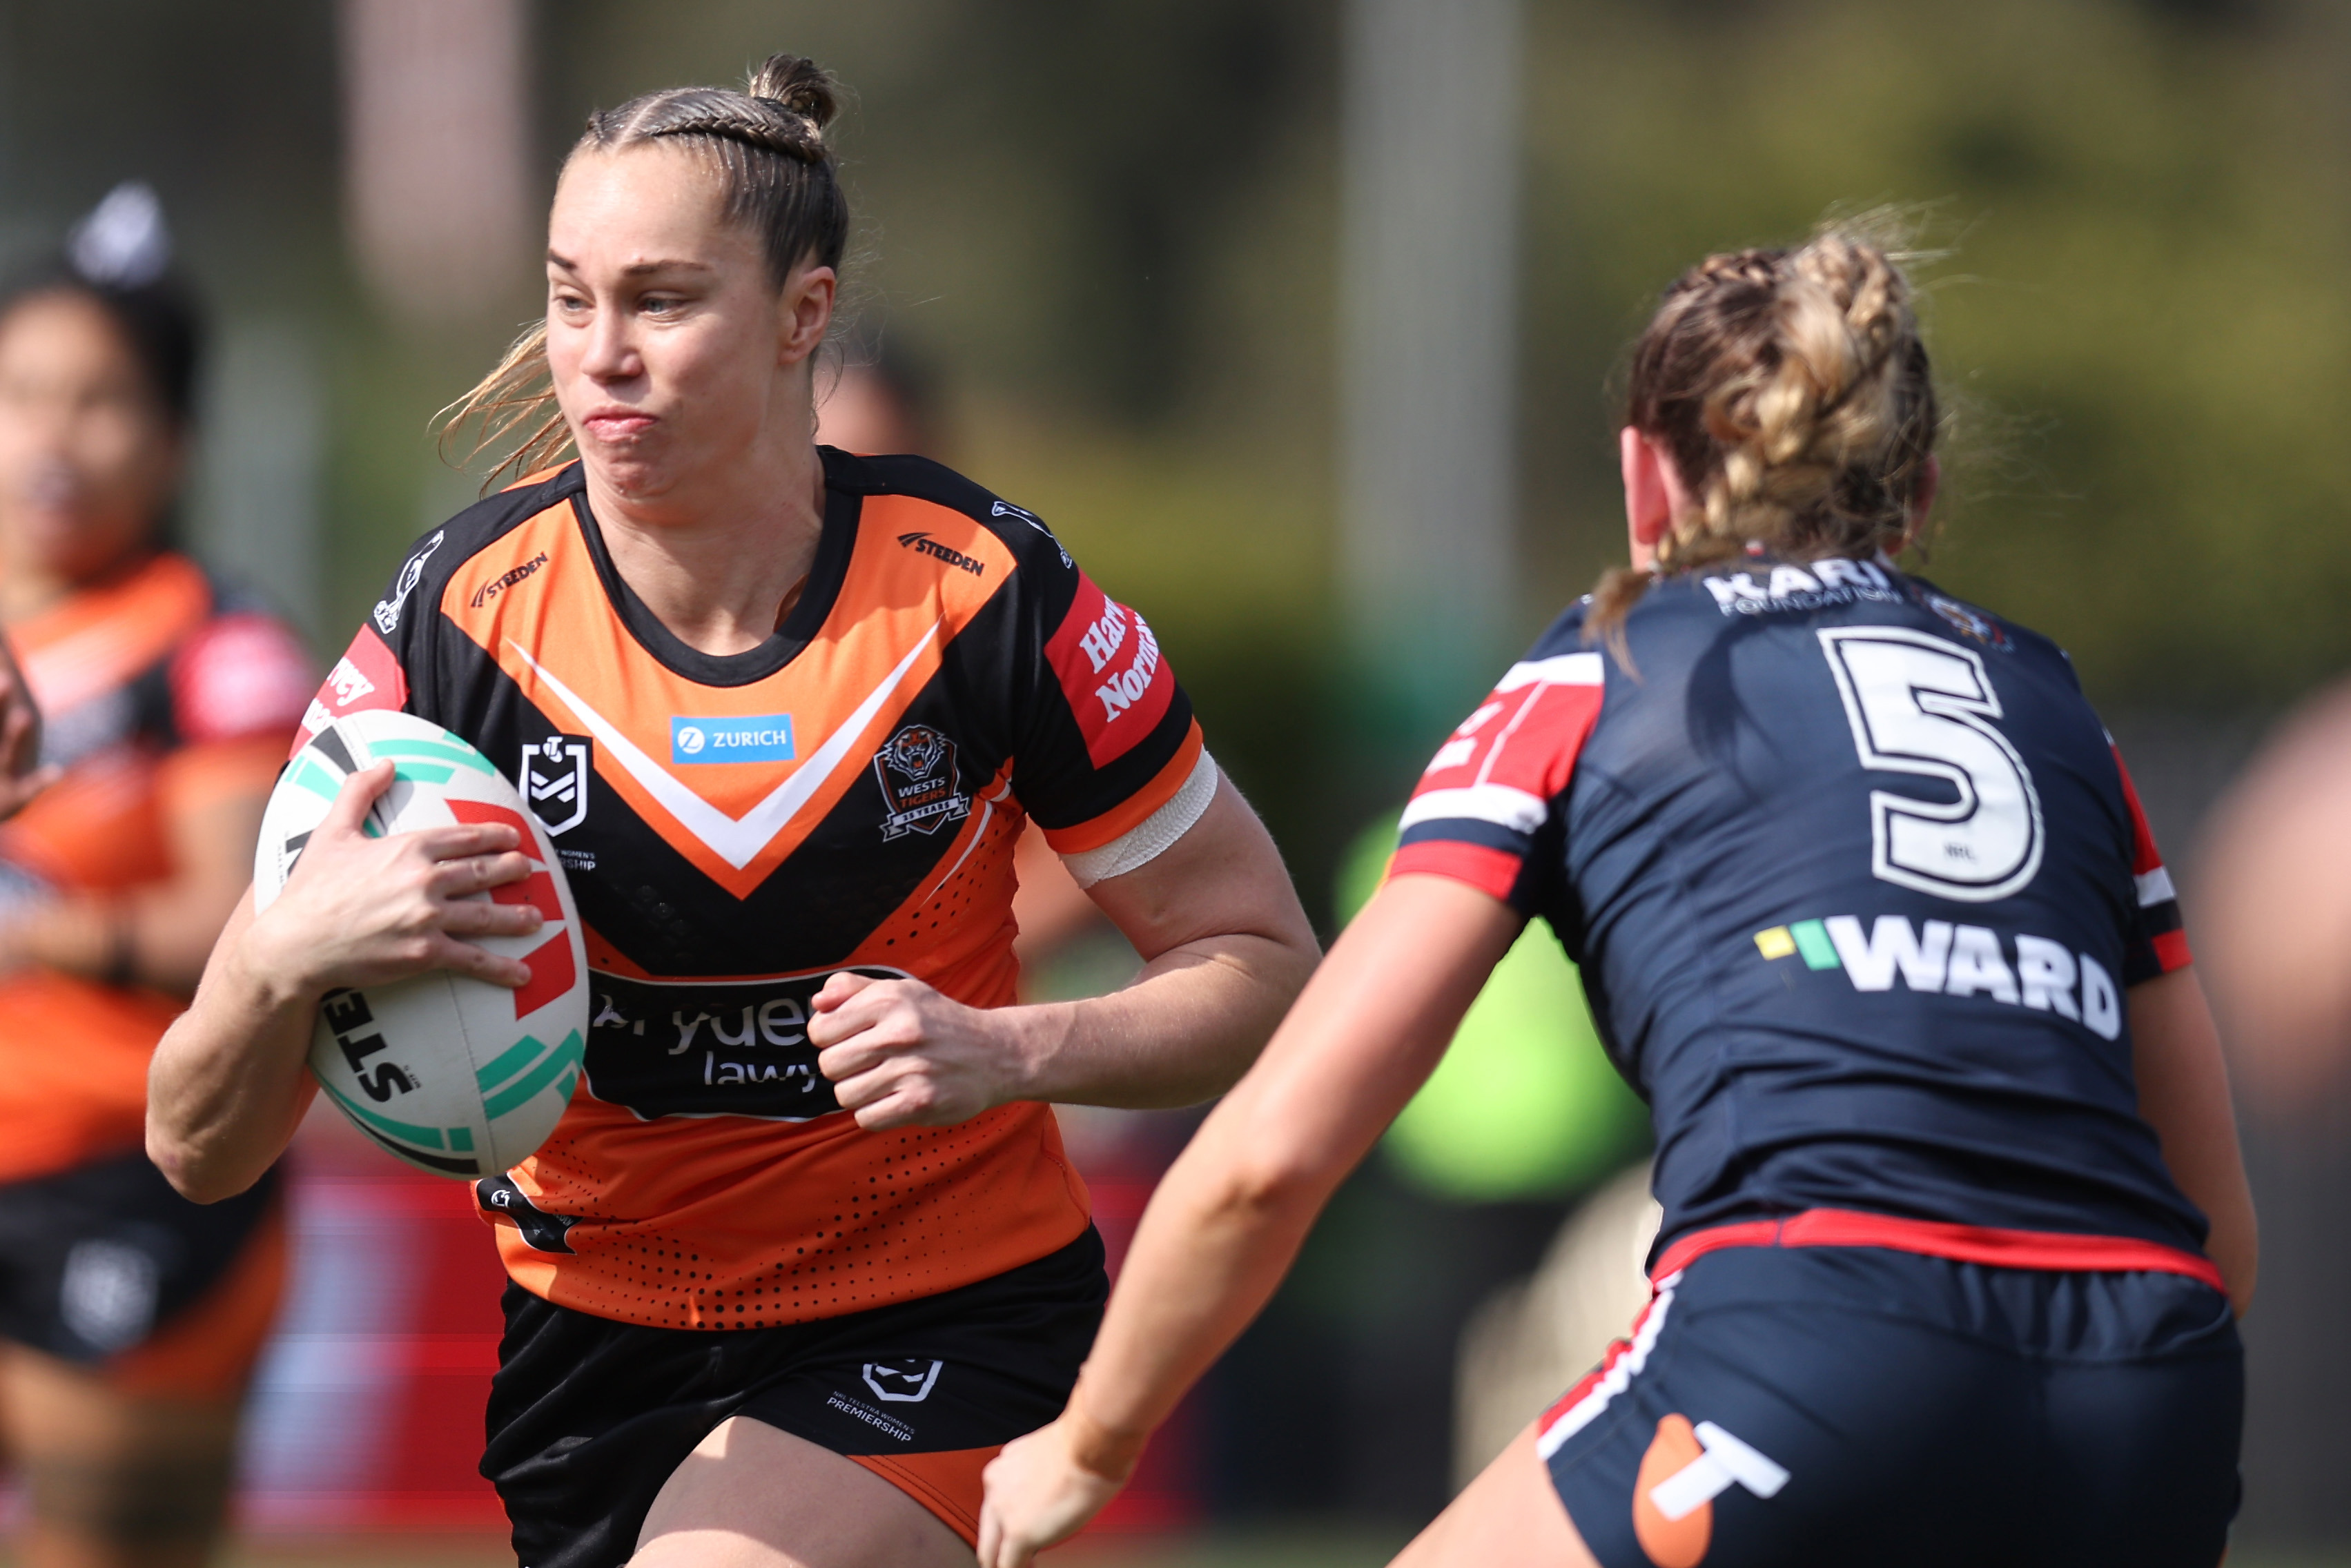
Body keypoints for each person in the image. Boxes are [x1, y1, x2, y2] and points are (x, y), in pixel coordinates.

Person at [145, 54, 1316, 1568]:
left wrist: (1009, 1048)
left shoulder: (980, 597)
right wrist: (280, 957)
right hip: (590, 1346)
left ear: (801, 315)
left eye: (660, 301)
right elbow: (195, 1143)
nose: (598, 356)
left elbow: (1262, 959)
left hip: (944, 1318)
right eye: (571, 299)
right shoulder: (454, 630)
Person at [979, 225, 2257, 1568]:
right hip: (2147, 1386)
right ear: (1922, 491)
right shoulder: (2054, 709)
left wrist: (1084, 1449)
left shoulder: (1591, 680)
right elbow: (2209, 1211)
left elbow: (1264, 1159)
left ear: (1645, 478)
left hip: (1807, 1333)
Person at [0, 182, 315, 1568]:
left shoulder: (214, 645)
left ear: (176, 437)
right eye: (21, 394)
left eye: (101, 400)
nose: (52, 439)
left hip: (131, 1184)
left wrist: (42, 927)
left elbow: (248, 923)